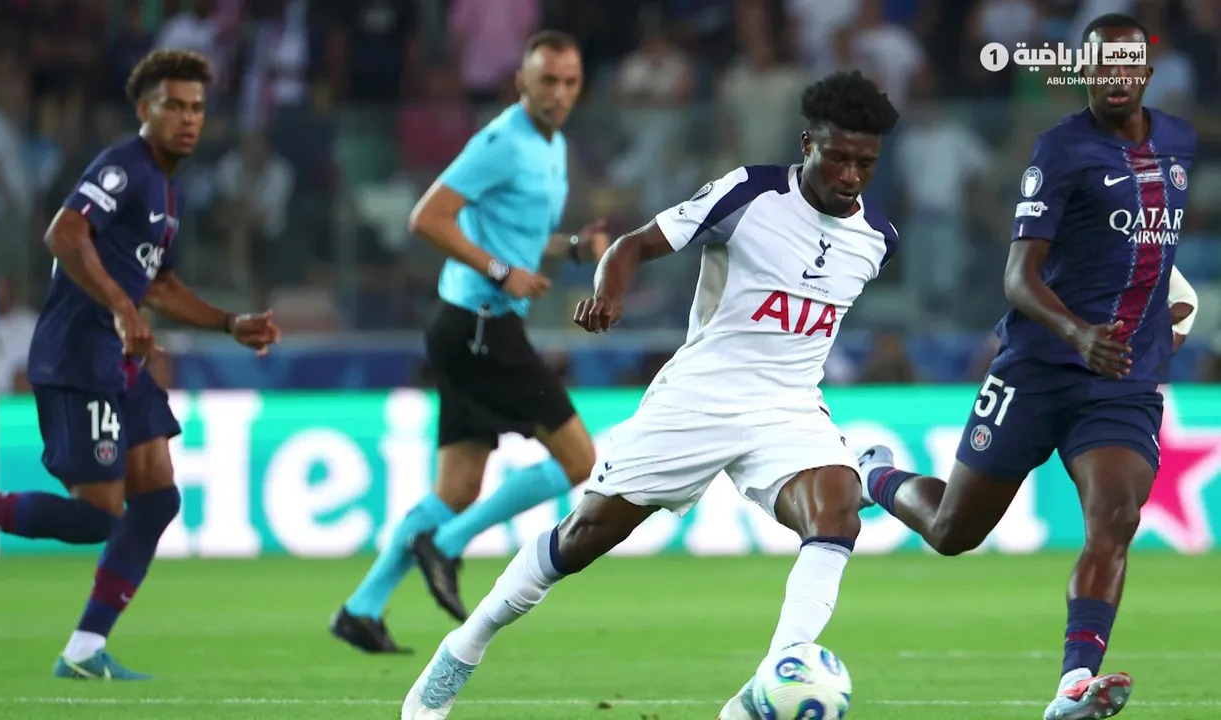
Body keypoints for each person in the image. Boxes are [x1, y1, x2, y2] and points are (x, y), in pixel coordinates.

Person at [399, 69, 901, 719]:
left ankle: (767, 688)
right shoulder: (749, 193)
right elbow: (634, 245)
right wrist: (609, 293)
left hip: (789, 406)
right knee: (581, 538)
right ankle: (461, 650)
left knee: (836, 514)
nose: (851, 176)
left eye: (865, 162)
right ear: (808, 144)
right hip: (698, 398)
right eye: (837, 157)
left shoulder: (877, 239)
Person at [857, 14, 1198, 720]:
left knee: (1115, 517)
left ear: (1146, 71)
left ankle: (1074, 684)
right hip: (1038, 368)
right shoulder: (1061, 149)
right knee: (953, 531)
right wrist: (1076, 332)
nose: (1115, 76)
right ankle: (875, 476)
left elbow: (1149, 250)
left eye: (1127, 63)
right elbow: (1017, 278)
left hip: (1122, 379)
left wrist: (1165, 304)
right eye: (1101, 64)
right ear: (1084, 71)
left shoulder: (1178, 143)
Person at [0, 50, 281, 679]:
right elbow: (64, 233)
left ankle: (83, 651)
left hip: (120, 358)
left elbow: (160, 284)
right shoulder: (123, 167)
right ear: (143, 110)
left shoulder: (169, 190)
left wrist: (228, 322)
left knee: (156, 499)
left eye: (197, 108)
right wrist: (123, 309)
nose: (189, 118)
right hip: (81, 354)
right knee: (95, 516)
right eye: (175, 106)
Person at [332, 30, 609, 653]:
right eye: (548, 81)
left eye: (570, 82)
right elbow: (427, 217)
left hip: (470, 327)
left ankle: (361, 609)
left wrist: (570, 248)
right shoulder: (500, 142)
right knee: (578, 459)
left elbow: (517, 236)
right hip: (482, 325)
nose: (560, 93)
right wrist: (499, 271)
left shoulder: (552, 146)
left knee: (456, 489)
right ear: (521, 82)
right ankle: (448, 544)